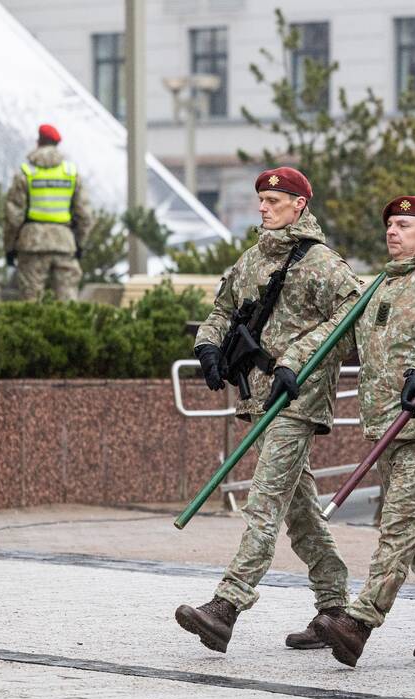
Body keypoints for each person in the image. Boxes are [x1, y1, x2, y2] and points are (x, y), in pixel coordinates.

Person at [175, 167, 358, 654]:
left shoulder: (320, 262)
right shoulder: (253, 258)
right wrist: (209, 347)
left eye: (274, 199)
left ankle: (226, 607)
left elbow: (351, 313)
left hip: (297, 397)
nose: (263, 206)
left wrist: (298, 358)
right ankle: (336, 609)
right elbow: (221, 310)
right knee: (301, 513)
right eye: (260, 199)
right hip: (259, 396)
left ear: (299, 205)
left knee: (266, 500)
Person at [312, 196, 415, 667]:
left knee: (398, 530)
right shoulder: (382, 284)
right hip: (384, 428)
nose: (392, 231)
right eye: (390, 224)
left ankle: (359, 622)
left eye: (404, 225)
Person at [3, 123, 92, 301]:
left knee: (30, 302)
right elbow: (85, 216)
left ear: (39, 142)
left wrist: (10, 247)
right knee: (68, 303)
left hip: (31, 244)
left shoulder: (26, 173)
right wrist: (79, 243)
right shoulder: (70, 174)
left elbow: (13, 216)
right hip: (64, 243)